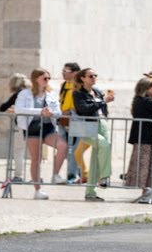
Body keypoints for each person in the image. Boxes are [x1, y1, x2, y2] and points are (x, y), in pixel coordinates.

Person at [13, 69, 69, 199]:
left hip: (48, 127)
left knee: (62, 146)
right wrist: (40, 111)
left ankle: (55, 175)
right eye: (45, 78)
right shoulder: (25, 93)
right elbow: (18, 109)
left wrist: (51, 113)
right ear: (36, 79)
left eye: (49, 78)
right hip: (32, 127)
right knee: (36, 159)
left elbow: (58, 112)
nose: (47, 81)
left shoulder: (51, 94)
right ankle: (37, 190)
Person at [71, 68, 114, 200]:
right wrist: (103, 101)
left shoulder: (96, 91)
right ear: (82, 78)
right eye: (90, 76)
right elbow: (84, 108)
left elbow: (101, 108)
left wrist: (104, 105)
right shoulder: (78, 93)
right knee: (104, 145)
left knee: (96, 159)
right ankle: (104, 176)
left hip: (101, 124)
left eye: (95, 75)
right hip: (86, 126)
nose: (93, 77)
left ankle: (90, 192)